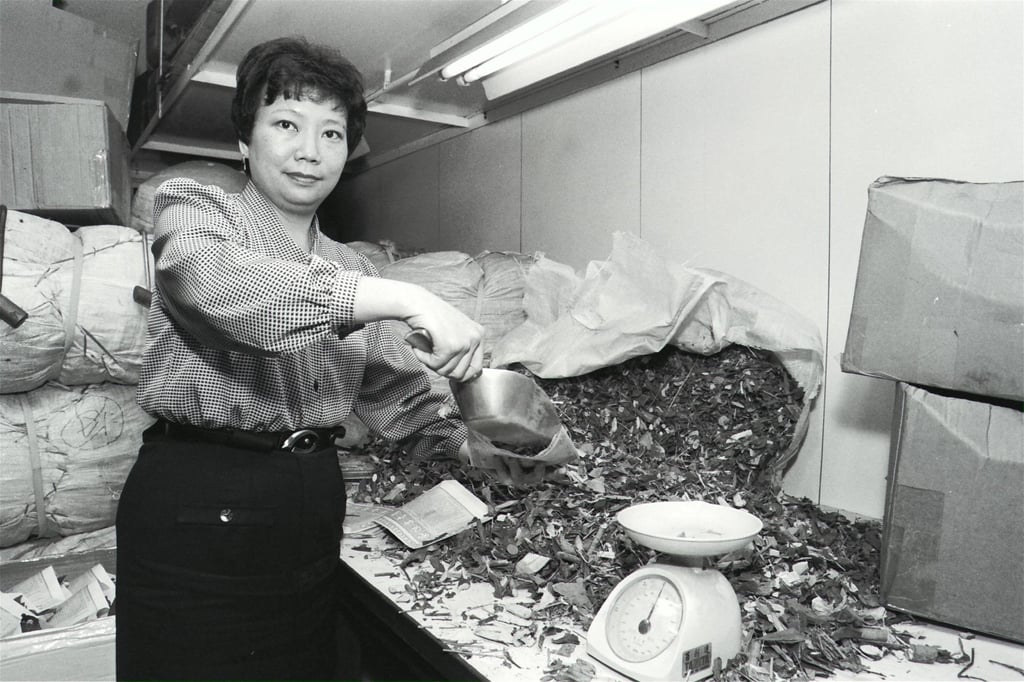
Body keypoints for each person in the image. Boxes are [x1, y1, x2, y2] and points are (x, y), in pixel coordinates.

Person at [115, 36, 536, 681]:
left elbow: (397, 390)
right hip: (202, 502)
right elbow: (222, 294)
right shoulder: (194, 211)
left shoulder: (349, 267)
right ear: (245, 140)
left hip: (308, 503)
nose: (310, 151)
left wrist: (477, 450)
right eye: (287, 124)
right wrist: (407, 296)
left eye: (331, 134)